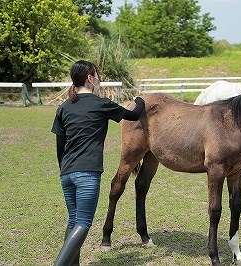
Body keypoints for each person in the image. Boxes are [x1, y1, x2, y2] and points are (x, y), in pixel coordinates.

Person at [51, 60, 145, 265]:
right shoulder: (101, 104)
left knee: (73, 220)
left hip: (66, 173)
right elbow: (134, 115)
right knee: (83, 223)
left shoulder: (63, 107)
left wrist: (63, 170)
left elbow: (60, 145)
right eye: (97, 75)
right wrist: (140, 100)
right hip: (87, 174)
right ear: (89, 78)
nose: (99, 78)